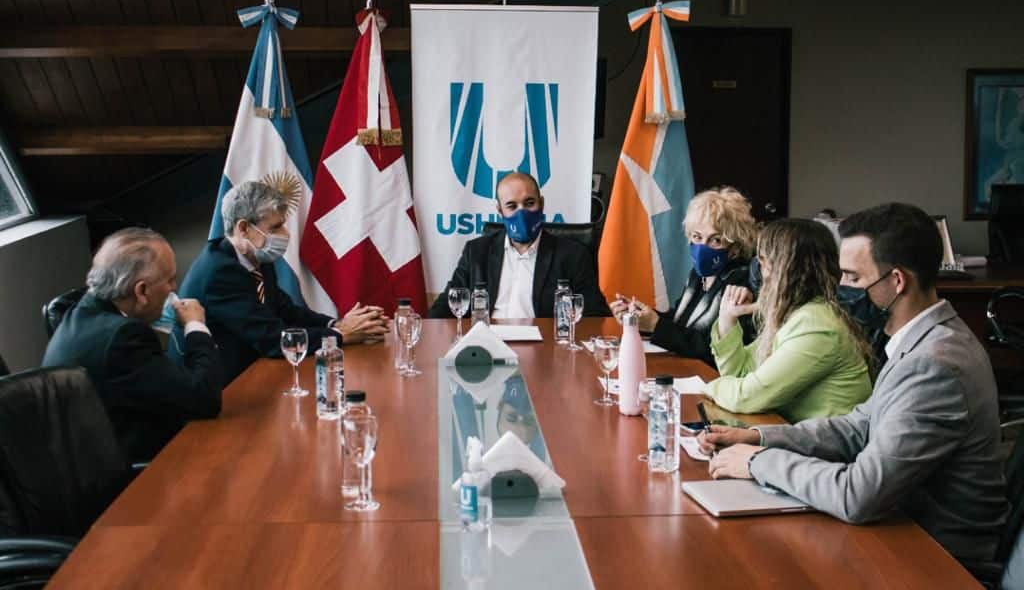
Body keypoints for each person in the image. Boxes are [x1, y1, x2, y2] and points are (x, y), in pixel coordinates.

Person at [699, 203, 1008, 563]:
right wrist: (760, 437)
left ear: (896, 281)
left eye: (853, 278)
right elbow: (859, 426)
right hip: (900, 527)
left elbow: (858, 493)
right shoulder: (925, 340)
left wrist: (758, 462)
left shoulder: (935, 364)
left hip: (937, 557)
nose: (840, 287)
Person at [176, 181, 389, 382]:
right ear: (243, 228)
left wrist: (335, 324)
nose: (285, 234)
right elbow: (271, 339)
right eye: (275, 227)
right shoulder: (219, 272)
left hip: (254, 373)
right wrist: (341, 335)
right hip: (222, 386)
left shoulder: (257, 257)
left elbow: (286, 310)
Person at [42, 227, 222, 462]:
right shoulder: (123, 338)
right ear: (142, 291)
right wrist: (195, 326)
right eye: (170, 279)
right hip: (135, 477)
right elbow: (204, 399)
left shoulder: (81, 309)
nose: (174, 289)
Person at [703, 219, 872, 422]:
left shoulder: (815, 326)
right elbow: (741, 373)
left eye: (763, 260)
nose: (760, 269)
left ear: (779, 267)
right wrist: (727, 318)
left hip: (824, 450)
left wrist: (707, 387)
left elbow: (745, 397)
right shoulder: (797, 314)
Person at [428, 172, 610, 318]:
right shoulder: (476, 252)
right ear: (500, 211)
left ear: (542, 204)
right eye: (512, 206)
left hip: (545, 349)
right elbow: (448, 305)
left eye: (529, 203)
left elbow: (595, 315)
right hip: (487, 346)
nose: (521, 212)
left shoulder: (572, 255)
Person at [609, 186, 758, 366]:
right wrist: (642, 317)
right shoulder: (698, 275)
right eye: (697, 237)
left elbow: (714, 350)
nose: (703, 246)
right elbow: (681, 323)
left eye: (715, 240)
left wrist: (656, 326)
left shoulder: (741, 282)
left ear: (735, 248)